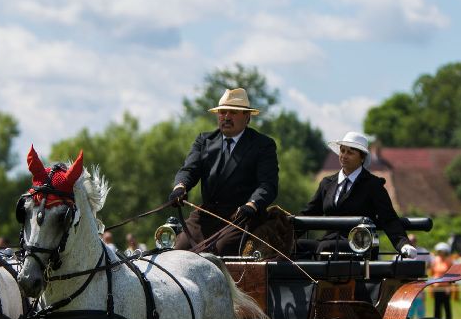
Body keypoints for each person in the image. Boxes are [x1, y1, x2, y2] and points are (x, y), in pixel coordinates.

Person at [169, 88, 279, 256]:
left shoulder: (263, 145)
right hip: (205, 216)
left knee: (220, 253)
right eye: (222, 112)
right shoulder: (204, 141)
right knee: (177, 251)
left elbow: (268, 185)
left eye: (233, 112)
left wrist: (252, 204)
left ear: (247, 117)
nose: (226, 117)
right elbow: (189, 169)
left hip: (242, 219)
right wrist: (180, 187)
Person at [298, 132, 416, 259]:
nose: (344, 156)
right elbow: (310, 213)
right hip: (328, 243)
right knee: (295, 247)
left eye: (350, 152)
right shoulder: (327, 183)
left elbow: (388, 218)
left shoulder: (373, 185)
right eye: (342, 151)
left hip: (359, 245)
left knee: (326, 248)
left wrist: (403, 244)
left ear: (362, 157)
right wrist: (284, 231)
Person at [430, 242, 454, 319]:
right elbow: (432, 273)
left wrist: (449, 287)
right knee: (437, 306)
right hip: (437, 287)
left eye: (443, 251)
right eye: (440, 251)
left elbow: (452, 275)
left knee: (447, 306)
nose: (441, 253)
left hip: (446, 288)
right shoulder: (435, 260)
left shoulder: (449, 261)